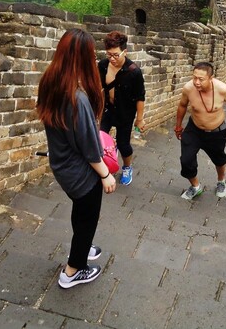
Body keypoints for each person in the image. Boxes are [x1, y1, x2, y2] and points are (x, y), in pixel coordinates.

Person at [37, 28, 116, 289]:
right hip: (81, 171)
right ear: (81, 58)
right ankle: (73, 270)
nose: (94, 60)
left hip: (62, 165)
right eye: (91, 55)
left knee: (80, 211)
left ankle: (83, 245)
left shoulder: (50, 82)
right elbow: (88, 146)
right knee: (87, 218)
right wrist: (105, 174)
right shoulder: (77, 98)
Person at [174, 62, 226, 200]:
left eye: (201, 79)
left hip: (216, 132)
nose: (196, 82)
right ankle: (195, 186)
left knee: (219, 159)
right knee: (186, 160)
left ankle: (221, 181)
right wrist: (178, 126)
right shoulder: (188, 88)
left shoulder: (222, 89)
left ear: (210, 78)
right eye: (194, 77)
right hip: (194, 130)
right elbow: (182, 106)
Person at [98, 31, 145, 186]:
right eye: (109, 54)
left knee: (124, 144)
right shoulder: (103, 66)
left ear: (125, 51)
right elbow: (100, 88)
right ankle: (103, 167)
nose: (112, 59)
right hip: (108, 110)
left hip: (125, 113)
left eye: (116, 55)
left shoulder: (134, 72)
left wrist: (139, 119)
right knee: (99, 139)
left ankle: (127, 167)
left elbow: (140, 97)